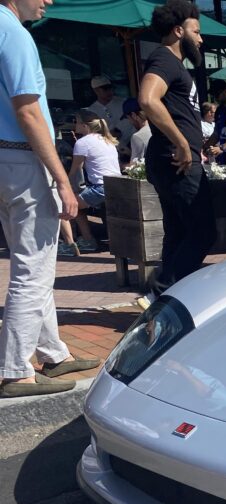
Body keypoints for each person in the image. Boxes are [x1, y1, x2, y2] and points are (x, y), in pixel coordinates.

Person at [0, 0, 99, 398]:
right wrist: (63, 179)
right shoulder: (14, 32)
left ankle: (52, 353)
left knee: (34, 259)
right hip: (23, 158)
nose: (49, 0)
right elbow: (28, 112)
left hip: (6, 159)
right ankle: (14, 369)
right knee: (35, 267)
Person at [137, 0, 217, 308]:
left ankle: (163, 299)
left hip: (171, 159)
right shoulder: (166, 59)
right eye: (196, 31)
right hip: (176, 160)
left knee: (180, 231)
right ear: (177, 30)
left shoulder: (172, 64)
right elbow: (147, 99)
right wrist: (183, 143)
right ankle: (160, 290)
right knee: (203, 231)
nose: (200, 39)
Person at [58, 109, 120, 256]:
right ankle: (87, 240)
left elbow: (75, 170)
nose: (75, 125)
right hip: (115, 184)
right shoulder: (107, 140)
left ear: (85, 125)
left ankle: (71, 244)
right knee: (78, 205)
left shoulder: (83, 142)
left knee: (65, 205)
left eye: (77, 122)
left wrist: (62, 182)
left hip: (100, 187)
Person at [87, 74, 133, 143]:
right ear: (96, 90)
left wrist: (118, 130)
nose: (109, 91)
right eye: (105, 89)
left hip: (130, 144)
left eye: (111, 88)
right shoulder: (92, 110)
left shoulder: (123, 103)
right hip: (109, 147)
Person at [122, 97, 151, 162]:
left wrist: (121, 165)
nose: (129, 122)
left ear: (133, 115)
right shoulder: (159, 128)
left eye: (128, 118)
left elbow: (135, 168)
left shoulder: (138, 136)